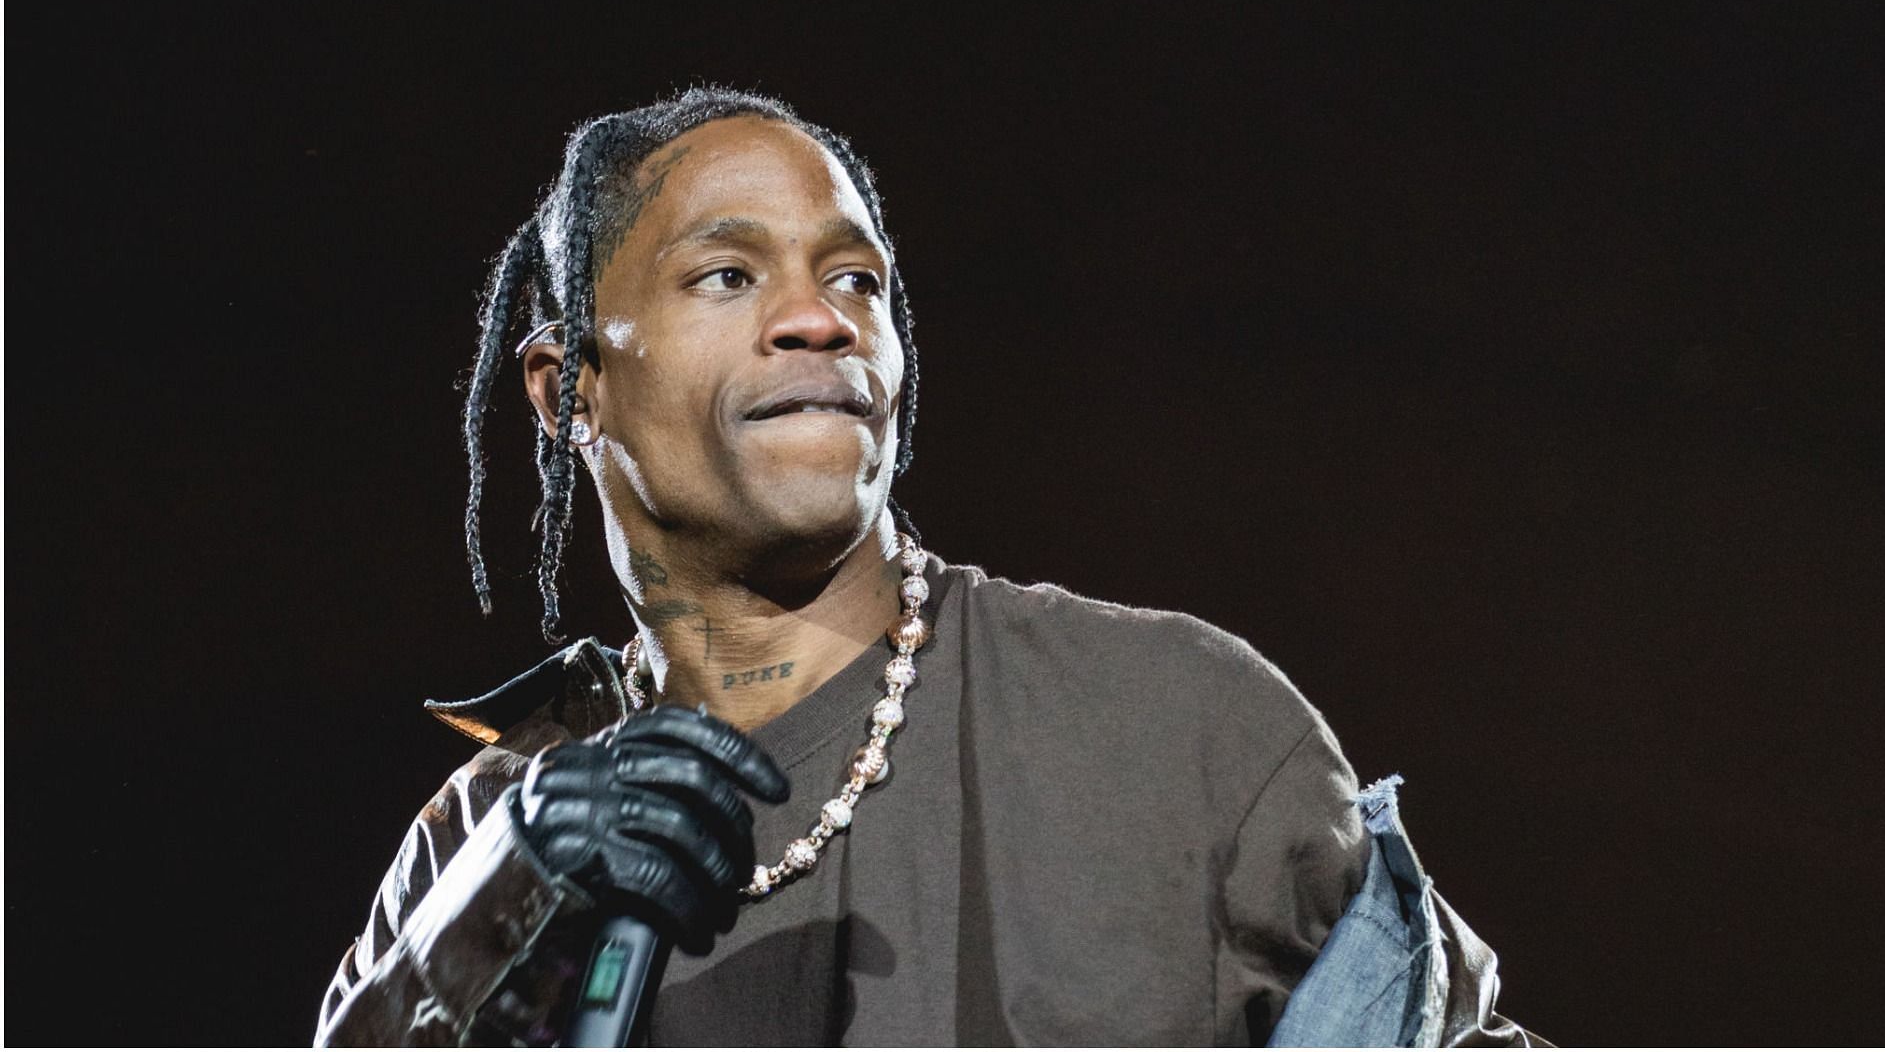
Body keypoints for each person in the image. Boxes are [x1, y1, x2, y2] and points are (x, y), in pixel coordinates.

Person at [314, 87, 1539, 1047]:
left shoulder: (1178, 725)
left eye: (855, 279)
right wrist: (505, 902)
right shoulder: (480, 836)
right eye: (728, 275)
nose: (818, 319)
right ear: (568, 386)